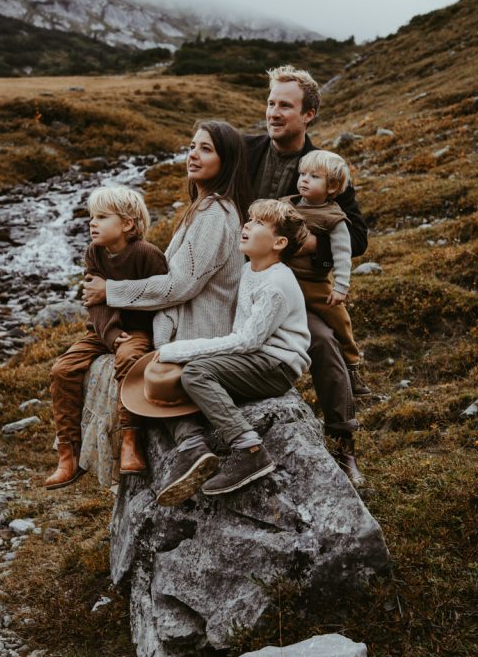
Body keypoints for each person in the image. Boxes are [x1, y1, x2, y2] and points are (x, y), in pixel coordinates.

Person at [82, 120, 252, 470]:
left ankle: (191, 447)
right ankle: (189, 446)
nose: (194, 154)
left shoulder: (216, 213)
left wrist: (110, 291)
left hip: (201, 331)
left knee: (148, 382)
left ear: (228, 160)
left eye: (206, 149)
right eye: (192, 146)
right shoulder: (204, 208)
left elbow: (180, 285)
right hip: (190, 327)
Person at [244, 65, 368, 487]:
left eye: (285, 106)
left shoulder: (325, 168)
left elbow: (358, 236)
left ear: (308, 114)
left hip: (293, 288)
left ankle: (343, 444)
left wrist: (312, 247)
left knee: (324, 342)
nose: (274, 112)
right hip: (236, 279)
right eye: (271, 103)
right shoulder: (244, 151)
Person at [147, 198, 311, 505]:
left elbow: (246, 341)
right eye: (248, 219)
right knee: (180, 379)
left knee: (195, 371)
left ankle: (249, 448)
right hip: (257, 358)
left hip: (277, 365)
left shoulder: (276, 283)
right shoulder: (250, 270)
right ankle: (192, 446)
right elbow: (241, 338)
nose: (246, 226)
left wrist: (181, 349)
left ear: (279, 242)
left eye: (259, 223)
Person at [45, 185, 167, 490]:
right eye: (91, 216)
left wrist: (128, 339)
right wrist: (110, 335)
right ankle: (68, 455)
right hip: (102, 331)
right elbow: (94, 302)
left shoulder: (147, 255)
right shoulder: (94, 252)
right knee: (63, 370)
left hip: (139, 331)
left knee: (128, 359)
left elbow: (161, 296)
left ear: (127, 224)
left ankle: (130, 440)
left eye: (101, 216)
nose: (92, 223)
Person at [282, 149, 371, 396]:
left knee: (339, 320)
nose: (304, 180)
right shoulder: (285, 205)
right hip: (281, 277)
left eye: (314, 176)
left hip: (314, 283)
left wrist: (341, 287)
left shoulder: (335, 219)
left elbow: (342, 255)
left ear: (332, 187)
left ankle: (352, 364)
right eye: (302, 174)